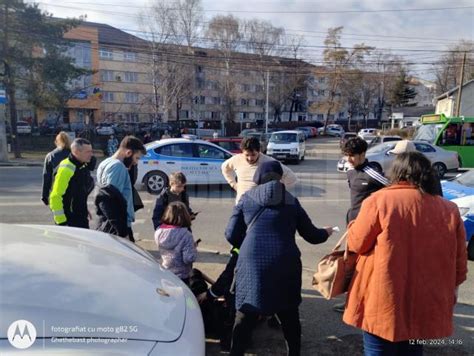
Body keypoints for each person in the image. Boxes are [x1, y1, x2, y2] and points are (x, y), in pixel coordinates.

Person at [343, 152, 468, 355]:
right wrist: (454, 287)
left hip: (383, 294)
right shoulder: (449, 209)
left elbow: (357, 243)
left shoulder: (378, 200)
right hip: (424, 297)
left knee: (378, 348)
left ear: (397, 172)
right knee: (413, 346)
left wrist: (353, 223)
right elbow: (459, 259)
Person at [225, 161, 334, 356]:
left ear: (257, 178)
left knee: (244, 316)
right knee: (289, 315)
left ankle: (236, 353)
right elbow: (312, 236)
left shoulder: (246, 199)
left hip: (252, 264)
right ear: (280, 177)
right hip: (286, 264)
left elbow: (231, 235)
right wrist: (326, 232)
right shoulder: (291, 200)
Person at [96, 136, 146, 242]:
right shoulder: (118, 167)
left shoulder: (105, 162)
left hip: (110, 223)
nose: (136, 163)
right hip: (117, 226)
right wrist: (123, 233)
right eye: (136, 158)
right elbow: (109, 201)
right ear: (128, 153)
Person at [222, 137, 298, 203]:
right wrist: (234, 184)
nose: (250, 158)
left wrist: (276, 192)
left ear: (259, 151)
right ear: (242, 152)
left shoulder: (268, 162)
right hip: (241, 203)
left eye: (253, 155)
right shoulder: (236, 159)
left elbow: (291, 178)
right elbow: (224, 168)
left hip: (260, 205)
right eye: (247, 155)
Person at [49, 138, 94, 228]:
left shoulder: (81, 165)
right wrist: (61, 222)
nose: (91, 155)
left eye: (91, 151)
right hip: (70, 221)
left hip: (80, 217)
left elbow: (78, 193)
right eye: (87, 152)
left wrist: (83, 208)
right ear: (76, 152)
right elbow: (55, 196)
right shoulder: (66, 169)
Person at [343, 137, 389, 224]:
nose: (348, 159)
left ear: (362, 154)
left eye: (352, 156)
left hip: (368, 223)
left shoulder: (372, 173)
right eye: (347, 155)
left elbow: (394, 188)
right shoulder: (350, 171)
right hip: (352, 220)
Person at [154, 201, 198, 284]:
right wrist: (193, 248)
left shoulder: (158, 232)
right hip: (182, 275)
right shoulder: (186, 234)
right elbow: (189, 258)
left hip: (166, 271)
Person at [41, 131, 71, 205]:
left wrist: (44, 195)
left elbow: (46, 177)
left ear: (56, 142)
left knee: (59, 214)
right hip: (72, 190)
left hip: (56, 190)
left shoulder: (50, 156)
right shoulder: (74, 154)